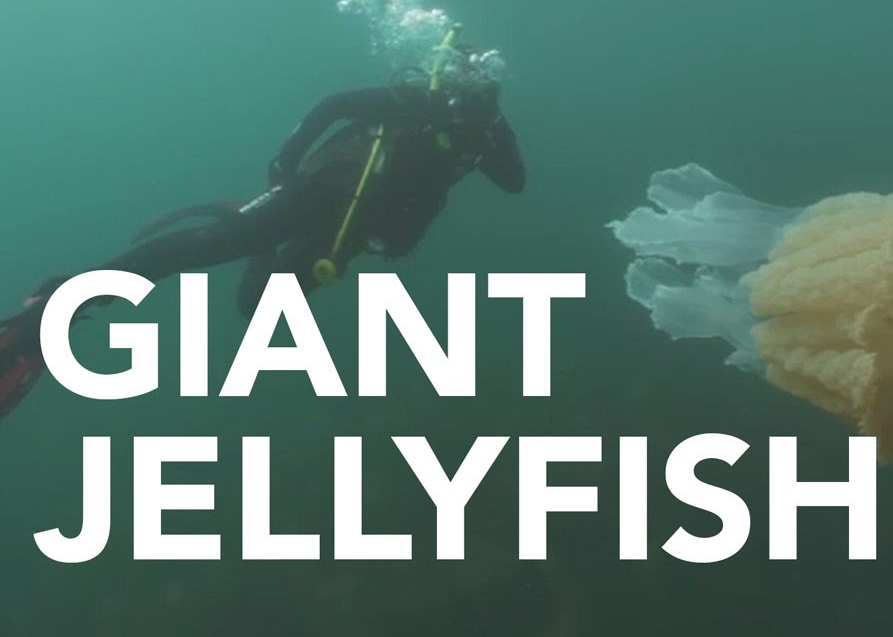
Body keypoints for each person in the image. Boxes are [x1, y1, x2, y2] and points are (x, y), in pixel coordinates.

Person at [0, 54, 526, 418]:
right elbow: (335, 102)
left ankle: (235, 218)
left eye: (481, 97)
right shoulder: (415, 102)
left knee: (259, 307)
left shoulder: (487, 134)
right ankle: (55, 308)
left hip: (346, 236)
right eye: (464, 94)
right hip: (315, 193)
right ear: (450, 83)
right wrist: (286, 160)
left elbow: (515, 184)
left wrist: (491, 138)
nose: (467, 104)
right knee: (203, 249)